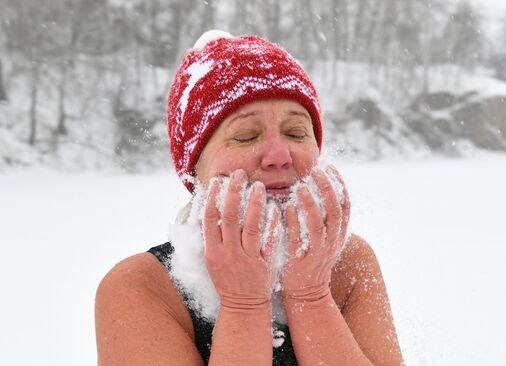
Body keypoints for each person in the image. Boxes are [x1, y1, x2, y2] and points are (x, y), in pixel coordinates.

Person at [95, 30, 405, 366]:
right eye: (245, 136)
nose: (279, 155)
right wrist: (244, 303)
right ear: (195, 169)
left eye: (296, 132)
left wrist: (310, 294)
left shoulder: (349, 263)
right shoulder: (141, 288)